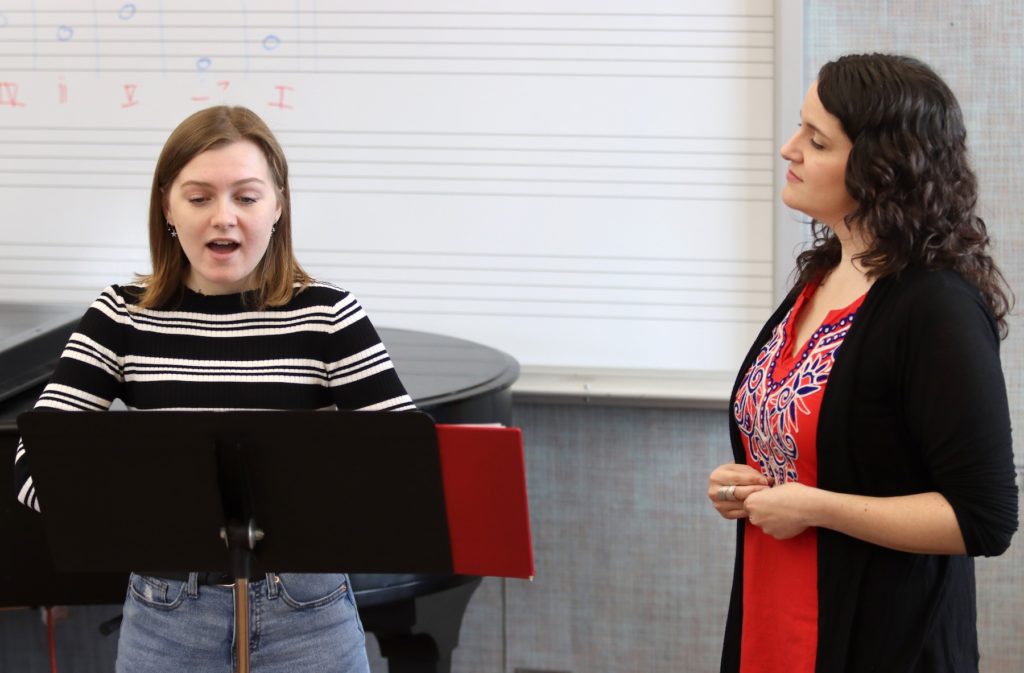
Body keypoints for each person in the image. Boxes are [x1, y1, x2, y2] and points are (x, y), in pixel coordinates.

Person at [13, 105, 415, 672]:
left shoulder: (329, 314)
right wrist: (131, 514)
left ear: (277, 206)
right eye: (199, 198)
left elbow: (410, 469)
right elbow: (33, 465)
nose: (223, 217)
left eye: (246, 198)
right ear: (167, 207)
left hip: (308, 613)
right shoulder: (119, 317)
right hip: (165, 616)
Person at [707, 53, 1018, 673]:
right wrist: (747, 484)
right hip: (773, 618)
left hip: (885, 641)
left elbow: (983, 518)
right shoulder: (820, 274)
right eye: (800, 128)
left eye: (816, 140)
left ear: (882, 169)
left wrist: (815, 507)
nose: (788, 149)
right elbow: (814, 444)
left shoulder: (938, 307)